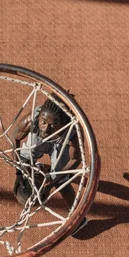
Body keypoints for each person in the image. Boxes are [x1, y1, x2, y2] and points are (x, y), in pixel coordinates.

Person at [9, 94, 88, 232]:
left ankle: (78, 217)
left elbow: (75, 160)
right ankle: (40, 169)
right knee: (24, 161)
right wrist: (19, 170)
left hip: (61, 145)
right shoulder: (31, 120)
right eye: (43, 122)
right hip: (38, 140)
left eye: (53, 125)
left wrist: (52, 182)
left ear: (62, 124)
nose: (46, 128)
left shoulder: (72, 131)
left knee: (61, 180)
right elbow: (14, 138)